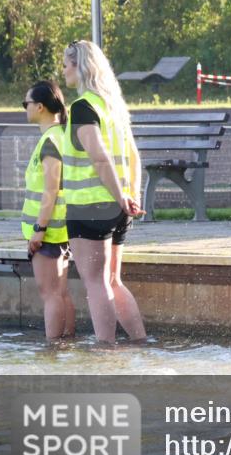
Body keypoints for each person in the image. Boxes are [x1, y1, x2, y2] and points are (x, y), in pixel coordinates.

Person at [61, 39, 146, 344]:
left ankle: (105, 351)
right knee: (113, 279)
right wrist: (130, 197)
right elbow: (134, 156)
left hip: (91, 206)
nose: (63, 71)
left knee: (96, 283)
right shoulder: (114, 107)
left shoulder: (83, 107)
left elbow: (98, 157)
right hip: (120, 208)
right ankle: (140, 343)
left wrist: (120, 197)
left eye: (66, 64)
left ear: (79, 67)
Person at [21, 81, 76, 340]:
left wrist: (39, 230)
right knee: (61, 292)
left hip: (49, 231)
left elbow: (50, 190)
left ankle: (52, 352)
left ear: (40, 107)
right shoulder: (58, 136)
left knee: (51, 294)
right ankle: (66, 346)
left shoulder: (51, 140)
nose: (25, 109)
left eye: (26, 104)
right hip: (58, 229)